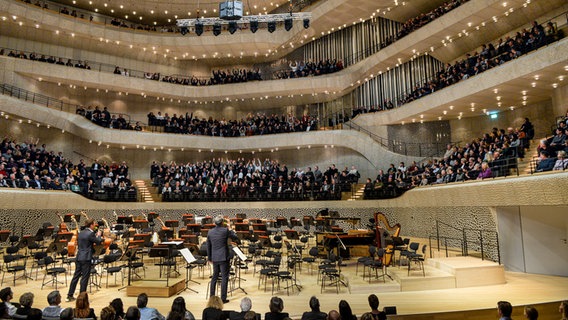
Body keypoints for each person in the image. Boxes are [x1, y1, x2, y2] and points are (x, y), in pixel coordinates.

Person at [66, 218, 103, 302]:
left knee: (76, 276)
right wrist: (99, 235)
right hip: (86, 258)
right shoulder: (91, 233)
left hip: (78, 257)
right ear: (91, 225)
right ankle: (82, 299)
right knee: (84, 278)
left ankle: (69, 295)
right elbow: (98, 241)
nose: (95, 226)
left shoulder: (81, 233)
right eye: (94, 224)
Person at [206, 215, 239, 303]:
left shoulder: (210, 232)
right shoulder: (225, 230)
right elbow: (235, 237)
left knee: (214, 277)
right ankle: (223, 299)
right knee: (224, 277)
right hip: (224, 257)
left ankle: (211, 297)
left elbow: (208, 246)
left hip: (214, 258)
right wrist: (229, 228)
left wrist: (209, 258)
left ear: (215, 223)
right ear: (222, 222)